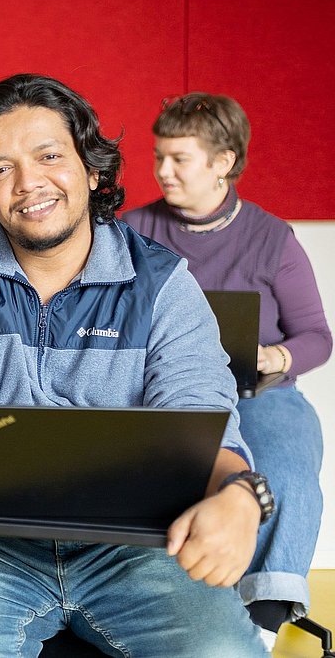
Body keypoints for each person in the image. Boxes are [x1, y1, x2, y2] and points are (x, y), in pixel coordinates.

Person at [0, 74, 272, 656]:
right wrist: (137, 447)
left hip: (143, 541)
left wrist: (243, 495)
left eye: (49, 156)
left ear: (91, 170)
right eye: (1, 169)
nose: (28, 184)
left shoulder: (163, 282)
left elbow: (200, 425)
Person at [123, 92, 331, 649]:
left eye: (179, 159)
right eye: (158, 156)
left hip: (259, 392)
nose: (163, 171)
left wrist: (278, 358)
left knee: (285, 472)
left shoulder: (273, 239)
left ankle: (259, 622)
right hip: (167, 393)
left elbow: (316, 336)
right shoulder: (133, 230)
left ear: (223, 162)